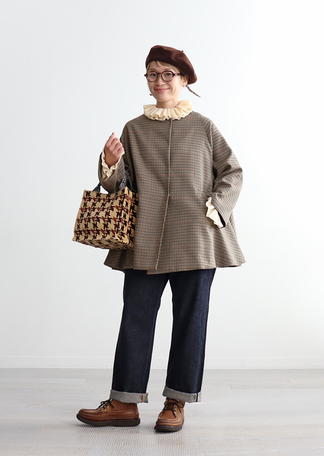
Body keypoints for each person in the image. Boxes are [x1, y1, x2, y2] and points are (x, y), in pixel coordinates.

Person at [76, 45, 244, 432]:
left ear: (183, 80)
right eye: (152, 73)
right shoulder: (134, 129)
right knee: (135, 318)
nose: (159, 80)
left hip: (196, 238)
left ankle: (176, 402)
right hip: (145, 238)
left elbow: (232, 171)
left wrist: (217, 206)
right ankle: (124, 403)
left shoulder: (203, 126)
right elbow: (121, 186)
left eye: (168, 73)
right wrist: (110, 164)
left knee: (190, 321)